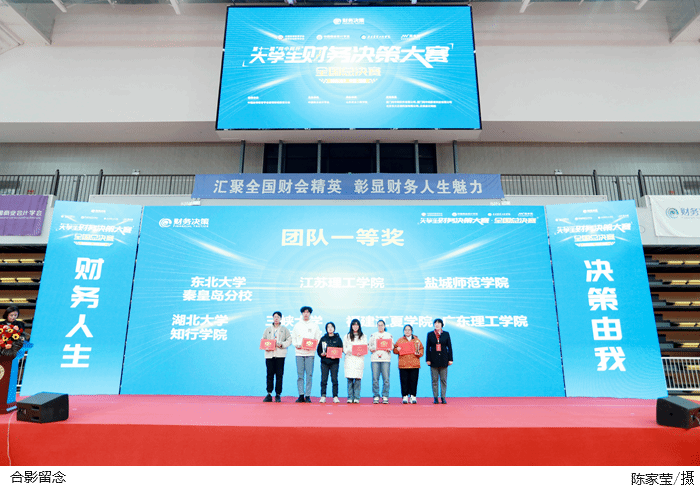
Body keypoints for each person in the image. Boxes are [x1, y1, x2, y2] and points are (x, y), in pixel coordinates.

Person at [291, 306, 321, 403]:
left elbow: (318, 339)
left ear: (310, 314)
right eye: (304, 312)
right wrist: (297, 345)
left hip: (310, 353)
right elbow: (293, 338)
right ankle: (301, 395)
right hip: (299, 353)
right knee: (300, 375)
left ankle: (308, 395)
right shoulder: (297, 325)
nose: (306, 314)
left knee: (309, 375)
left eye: (307, 312)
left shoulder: (314, 325)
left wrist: (312, 346)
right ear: (302, 313)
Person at [261, 311, 292, 403]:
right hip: (269, 355)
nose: (276, 318)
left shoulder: (284, 329)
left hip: (280, 355)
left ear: (281, 318)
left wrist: (282, 344)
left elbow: (289, 340)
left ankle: (278, 394)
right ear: (272, 318)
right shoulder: (268, 329)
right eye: (274, 317)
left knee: (279, 375)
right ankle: (269, 394)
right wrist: (266, 347)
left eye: (278, 317)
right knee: (269, 374)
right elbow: (263, 340)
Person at [393, 324, 423, 404]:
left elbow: (421, 349)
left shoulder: (416, 340)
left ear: (412, 331)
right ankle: (405, 396)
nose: (407, 331)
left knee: (414, 381)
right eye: (405, 330)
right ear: (403, 331)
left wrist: (419, 353)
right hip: (403, 364)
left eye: (409, 330)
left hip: (414, 363)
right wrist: (397, 349)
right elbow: (394, 350)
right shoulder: (400, 340)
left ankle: (413, 396)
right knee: (404, 381)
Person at [425, 318, 453, 404]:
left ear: (442, 325)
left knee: (443, 380)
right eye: (435, 323)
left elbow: (449, 347)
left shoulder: (446, 334)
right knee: (434, 380)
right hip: (433, 360)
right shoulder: (430, 334)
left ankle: (443, 397)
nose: (437, 325)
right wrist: (428, 359)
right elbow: (427, 347)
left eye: (439, 323)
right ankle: (436, 398)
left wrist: (450, 359)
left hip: (444, 359)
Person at [343, 318, 368, 404]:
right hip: (350, 359)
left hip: (358, 359)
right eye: (354, 325)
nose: (355, 326)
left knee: (357, 379)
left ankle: (357, 397)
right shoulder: (347, 336)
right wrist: (349, 351)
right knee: (350, 379)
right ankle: (350, 397)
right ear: (351, 326)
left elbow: (365, 347)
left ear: (359, 326)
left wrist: (361, 352)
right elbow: (344, 348)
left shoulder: (363, 336)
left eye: (357, 325)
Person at [317, 322, 343, 404]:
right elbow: (319, 350)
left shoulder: (338, 339)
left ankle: (335, 396)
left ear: (334, 328)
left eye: (332, 327)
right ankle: (323, 396)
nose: (330, 328)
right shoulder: (323, 338)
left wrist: (336, 356)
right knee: (324, 379)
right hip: (324, 362)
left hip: (334, 362)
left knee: (334, 379)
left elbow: (341, 350)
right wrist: (321, 354)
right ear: (326, 329)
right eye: (328, 327)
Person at [368, 319, 393, 404]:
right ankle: (376, 396)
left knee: (386, 379)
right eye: (379, 325)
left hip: (385, 359)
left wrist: (389, 348)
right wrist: (371, 349)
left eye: (382, 325)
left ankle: (385, 396)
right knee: (375, 379)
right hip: (375, 359)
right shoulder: (373, 335)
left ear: (384, 326)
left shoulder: (388, 335)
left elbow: (392, 345)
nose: (380, 327)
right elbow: (369, 345)